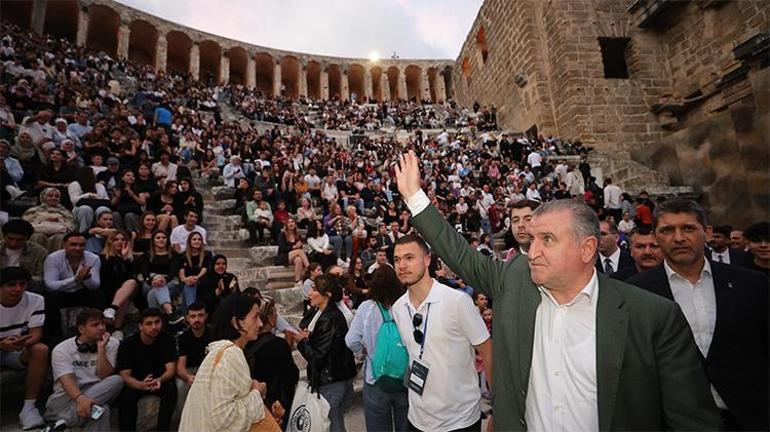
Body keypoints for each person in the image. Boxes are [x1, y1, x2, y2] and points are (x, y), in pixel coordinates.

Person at [394, 150, 720, 430]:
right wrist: (414, 196)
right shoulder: (514, 280)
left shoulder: (652, 317)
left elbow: (691, 420)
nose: (533, 251)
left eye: (547, 240)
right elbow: (460, 254)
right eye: (533, 239)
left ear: (587, 248)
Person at [628, 199, 769, 430]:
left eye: (688, 228)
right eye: (667, 230)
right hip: (675, 423)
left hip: (750, 418)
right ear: (655, 236)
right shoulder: (634, 292)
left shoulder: (751, 284)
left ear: (707, 232)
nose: (679, 238)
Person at [390, 235, 492, 432]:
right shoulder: (398, 308)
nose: (402, 265)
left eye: (409, 258)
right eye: (397, 259)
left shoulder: (457, 302)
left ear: (427, 260)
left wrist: (499, 408)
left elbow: (488, 353)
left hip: (460, 421)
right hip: (417, 419)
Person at [180, 294, 270, 432]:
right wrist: (257, 393)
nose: (260, 324)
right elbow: (222, 419)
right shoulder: (230, 355)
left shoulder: (224, 352)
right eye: (255, 317)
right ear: (236, 322)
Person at [345, 266, 409, 432]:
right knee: (405, 424)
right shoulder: (405, 305)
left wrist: (363, 353)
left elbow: (351, 340)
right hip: (404, 377)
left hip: (376, 377)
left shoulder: (367, 308)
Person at [43, 309, 123, 432]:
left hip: (99, 393)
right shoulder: (62, 349)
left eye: (103, 323)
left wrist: (101, 349)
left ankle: (63, 422)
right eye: (95, 325)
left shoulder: (112, 343)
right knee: (101, 411)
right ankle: (64, 418)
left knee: (117, 380)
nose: (101, 328)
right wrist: (81, 399)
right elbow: (67, 380)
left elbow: (104, 375)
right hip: (66, 400)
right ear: (81, 329)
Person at [296, 274, 357, 432]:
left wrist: (302, 342)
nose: (310, 293)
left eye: (315, 289)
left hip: (331, 381)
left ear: (327, 294)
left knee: (333, 424)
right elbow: (305, 325)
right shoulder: (320, 312)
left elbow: (317, 357)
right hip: (334, 377)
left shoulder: (330, 318)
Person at [0, 267, 48, 430]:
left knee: (40, 350)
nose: (18, 289)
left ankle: (29, 408)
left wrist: (22, 343)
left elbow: (36, 334)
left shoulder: (36, 300)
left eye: (22, 284)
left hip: (17, 349)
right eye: (11, 285)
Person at [116, 308, 178, 432]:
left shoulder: (168, 340)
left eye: (157, 322)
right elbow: (125, 375)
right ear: (140, 326)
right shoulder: (127, 345)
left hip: (158, 380)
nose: (154, 327)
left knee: (171, 389)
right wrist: (141, 385)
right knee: (126, 397)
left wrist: (159, 380)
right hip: (136, 382)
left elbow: (170, 370)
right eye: (149, 323)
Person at [246, 296, 299, 427]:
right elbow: (292, 375)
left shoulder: (246, 343)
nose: (277, 316)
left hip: (254, 403)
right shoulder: (278, 344)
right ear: (270, 318)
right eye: (275, 312)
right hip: (277, 404)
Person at [43, 232, 103, 340]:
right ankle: (54, 337)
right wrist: (75, 279)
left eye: (82, 245)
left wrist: (86, 278)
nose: (78, 248)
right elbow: (50, 285)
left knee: (98, 295)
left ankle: (96, 332)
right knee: (50, 298)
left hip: (82, 291)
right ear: (64, 245)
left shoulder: (93, 258)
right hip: (61, 293)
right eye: (73, 244)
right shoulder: (53, 258)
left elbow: (95, 285)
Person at [175, 303, 212, 418]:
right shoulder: (183, 337)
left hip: (209, 370)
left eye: (200, 315)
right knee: (180, 386)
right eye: (193, 316)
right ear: (187, 318)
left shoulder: (213, 334)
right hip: (190, 370)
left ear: (206, 316)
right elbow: (180, 367)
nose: (197, 319)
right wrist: (188, 377)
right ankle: (184, 421)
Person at [99, 230, 139, 329]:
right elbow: (105, 276)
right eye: (116, 239)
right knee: (122, 297)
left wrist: (124, 258)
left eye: (123, 239)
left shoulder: (129, 259)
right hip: (106, 288)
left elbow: (131, 276)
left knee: (131, 283)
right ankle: (115, 327)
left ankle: (114, 315)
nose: (120, 242)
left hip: (124, 289)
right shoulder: (101, 258)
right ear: (110, 242)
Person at [23, 187, 76, 251]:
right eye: (50, 196)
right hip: (38, 231)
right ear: (43, 197)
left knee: (60, 237)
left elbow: (71, 226)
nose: (54, 198)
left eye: (57, 196)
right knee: (37, 236)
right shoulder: (33, 210)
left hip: (59, 232)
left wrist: (59, 222)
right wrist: (43, 219)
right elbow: (26, 225)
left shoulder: (66, 212)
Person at [0, 219, 47, 288]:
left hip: (27, 287)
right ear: (3, 236)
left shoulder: (39, 252)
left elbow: (41, 276)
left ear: (28, 238)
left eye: (20, 240)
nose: (13, 243)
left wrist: (21, 282)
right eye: (10, 238)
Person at [177, 232, 211, 308]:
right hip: (186, 282)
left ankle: (190, 310)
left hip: (201, 281)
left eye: (199, 239)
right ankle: (192, 309)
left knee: (191, 285)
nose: (197, 241)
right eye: (194, 239)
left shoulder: (207, 254)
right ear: (189, 241)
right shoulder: (183, 256)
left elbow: (204, 269)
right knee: (189, 286)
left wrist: (196, 278)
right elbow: (181, 274)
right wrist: (186, 279)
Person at [276, 217, 310, 284]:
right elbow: (283, 248)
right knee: (299, 251)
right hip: (283, 256)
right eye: (289, 222)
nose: (291, 224)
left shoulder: (297, 235)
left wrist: (299, 246)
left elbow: (300, 248)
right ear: (286, 225)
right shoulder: (282, 235)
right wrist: (294, 247)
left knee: (299, 260)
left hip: (294, 256)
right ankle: (310, 269)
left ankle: (297, 281)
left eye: (292, 222)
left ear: (295, 224)